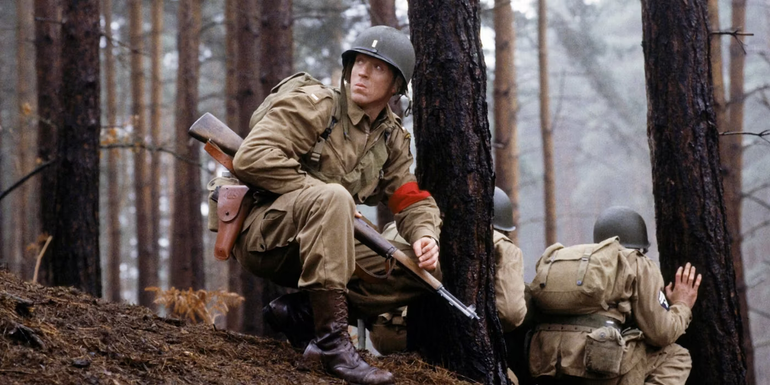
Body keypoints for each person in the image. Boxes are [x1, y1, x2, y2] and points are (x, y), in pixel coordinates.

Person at [230, 25, 441, 385]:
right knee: (334, 198)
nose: (362, 71)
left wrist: (424, 235)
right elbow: (252, 157)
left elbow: (407, 197)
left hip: (328, 245)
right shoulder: (316, 106)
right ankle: (334, 347)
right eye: (359, 62)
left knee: (425, 273)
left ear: (395, 85)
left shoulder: (390, 137)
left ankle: (301, 315)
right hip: (268, 236)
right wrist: (326, 196)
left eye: (377, 67)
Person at [527, 206, 702, 385]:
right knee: (676, 356)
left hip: (547, 368)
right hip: (601, 369)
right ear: (640, 245)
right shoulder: (637, 261)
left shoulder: (566, 260)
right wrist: (681, 305)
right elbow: (661, 333)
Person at [367, 187, 527, 355]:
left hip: (381, 333)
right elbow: (511, 314)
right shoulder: (498, 244)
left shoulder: (395, 228)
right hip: (439, 342)